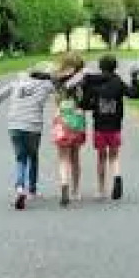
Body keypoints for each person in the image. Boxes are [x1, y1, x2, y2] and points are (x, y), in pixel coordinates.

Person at [0, 62, 54, 210]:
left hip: (14, 125)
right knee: (33, 156)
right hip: (33, 126)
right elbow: (61, 88)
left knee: (20, 158)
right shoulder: (46, 85)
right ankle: (32, 190)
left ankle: (20, 188)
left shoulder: (17, 83)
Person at [78, 55, 139, 200]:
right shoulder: (118, 82)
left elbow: (84, 104)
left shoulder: (93, 82)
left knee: (101, 158)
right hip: (115, 126)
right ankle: (117, 176)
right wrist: (135, 78)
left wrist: (87, 98)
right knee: (114, 156)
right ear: (115, 67)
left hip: (99, 127)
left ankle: (101, 190)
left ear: (100, 67)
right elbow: (134, 94)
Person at [49, 52, 90, 204]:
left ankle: (64, 184)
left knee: (62, 158)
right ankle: (76, 190)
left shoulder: (56, 80)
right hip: (77, 119)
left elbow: (49, 72)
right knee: (75, 157)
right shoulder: (83, 81)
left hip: (61, 118)